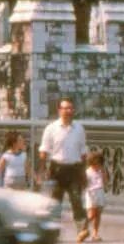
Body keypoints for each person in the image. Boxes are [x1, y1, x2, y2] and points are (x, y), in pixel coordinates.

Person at [36, 98, 88, 234]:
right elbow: (44, 151)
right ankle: (53, 229)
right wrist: (41, 170)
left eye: (70, 108)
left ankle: (81, 230)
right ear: (59, 111)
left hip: (74, 169)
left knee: (76, 199)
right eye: (65, 108)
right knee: (55, 201)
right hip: (57, 169)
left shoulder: (79, 128)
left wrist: (84, 171)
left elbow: (83, 151)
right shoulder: (51, 128)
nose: (68, 111)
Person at [81, 152, 107, 243]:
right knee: (91, 214)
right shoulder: (88, 172)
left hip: (100, 192)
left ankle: (95, 233)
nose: (97, 166)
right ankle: (83, 228)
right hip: (92, 193)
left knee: (98, 215)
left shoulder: (101, 171)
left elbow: (105, 182)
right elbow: (85, 184)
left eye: (99, 164)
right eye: (95, 164)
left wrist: (103, 172)